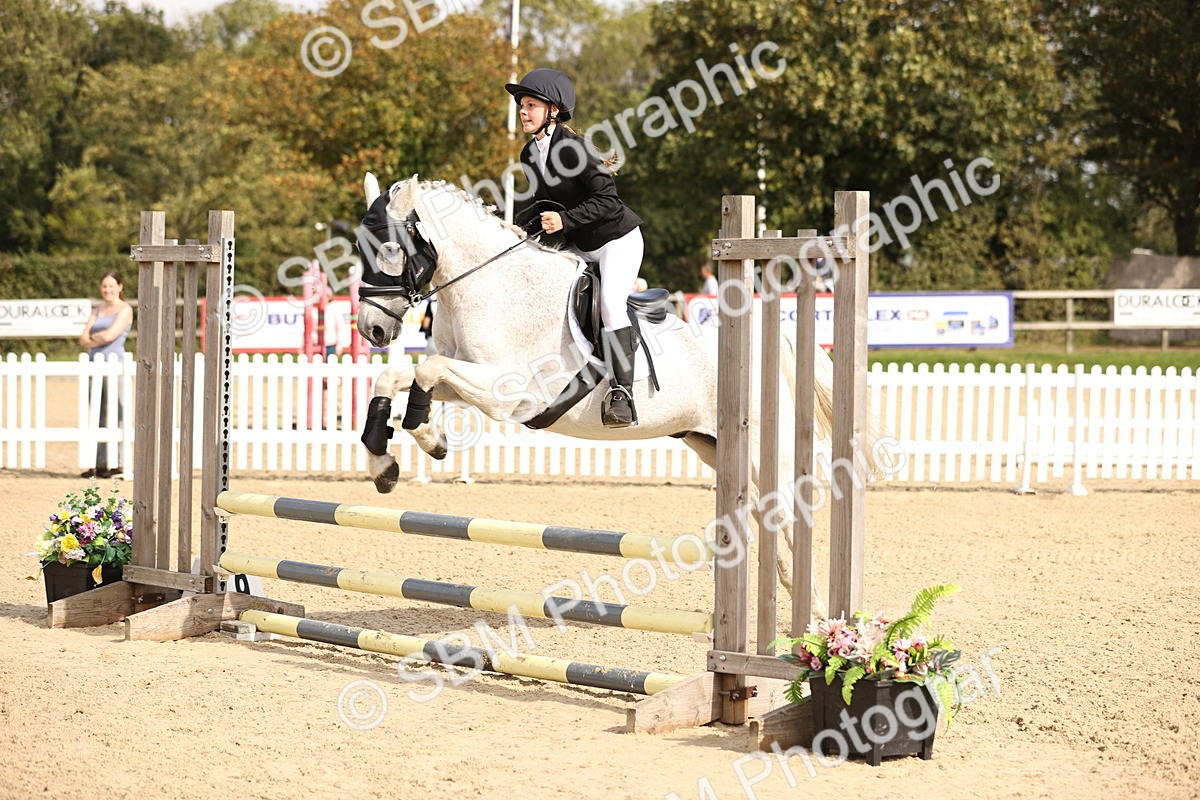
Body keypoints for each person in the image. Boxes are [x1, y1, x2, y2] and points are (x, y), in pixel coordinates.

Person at [507, 68, 644, 428]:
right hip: (581, 247)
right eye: (522, 105)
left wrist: (565, 222)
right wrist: (515, 231)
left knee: (612, 307)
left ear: (553, 109)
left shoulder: (573, 148)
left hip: (617, 241)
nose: (523, 111)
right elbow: (541, 206)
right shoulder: (529, 153)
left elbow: (608, 200)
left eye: (531, 105)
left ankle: (622, 393)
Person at [78, 272, 133, 478]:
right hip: (94, 365)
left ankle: (118, 462)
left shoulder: (125, 309)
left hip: (116, 366)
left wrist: (93, 337)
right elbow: (83, 338)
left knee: (118, 411)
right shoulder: (97, 310)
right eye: (104, 286)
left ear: (120, 287)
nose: (107, 290)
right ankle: (99, 463)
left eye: (111, 286)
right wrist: (95, 338)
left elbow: (111, 334)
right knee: (96, 413)